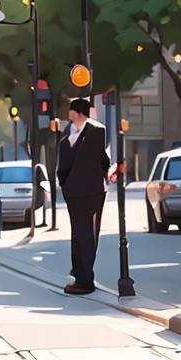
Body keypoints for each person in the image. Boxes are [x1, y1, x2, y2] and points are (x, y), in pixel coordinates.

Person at [57, 98, 113, 296]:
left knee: (86, 235)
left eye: (71, 111)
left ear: (78, 112)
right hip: (80, 191)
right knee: (81, 234)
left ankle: (84, 279)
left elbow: (101, 158)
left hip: (88, 191)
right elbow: (103, 160)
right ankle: (80, 273)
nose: (69, 114)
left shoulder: (95, 130)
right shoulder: (69, 132)